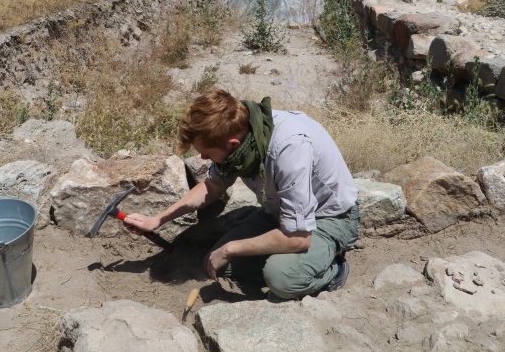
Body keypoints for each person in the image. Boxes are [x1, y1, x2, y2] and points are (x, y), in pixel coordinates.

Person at [123, 88, 360, 302]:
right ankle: (281, 257)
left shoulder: (290, 149)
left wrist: (231, 248)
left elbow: (299, 237)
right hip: (278, 214)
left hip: (328, 218)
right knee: (214, 264)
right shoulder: (243, 139)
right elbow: (212, 187)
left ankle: (333, 270)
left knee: (280, 279)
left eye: (206, 153)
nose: (203, 159)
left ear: (233, 144)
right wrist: (157, 220)